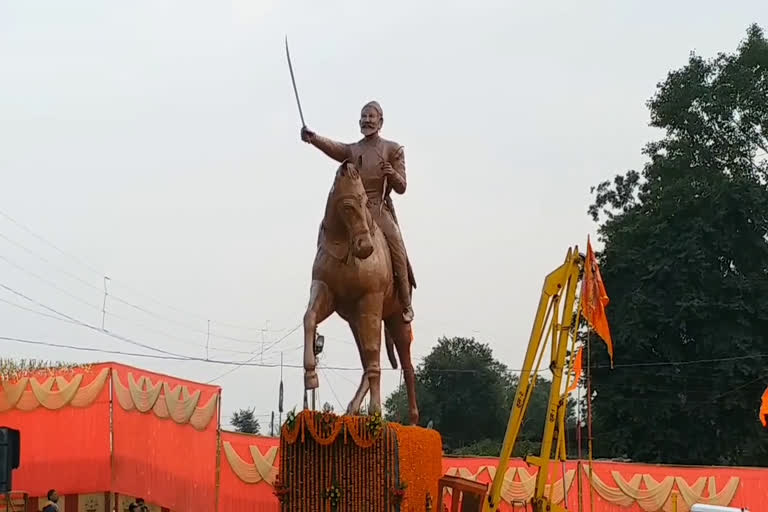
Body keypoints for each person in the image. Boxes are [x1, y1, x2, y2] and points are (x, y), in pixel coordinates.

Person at [301, 101, 415, 322]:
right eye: (364, 116)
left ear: (380, 121)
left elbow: (402, 187)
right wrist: (313, 138)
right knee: (327, 228)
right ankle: (324, 278)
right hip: (355, 207)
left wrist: (391, 173)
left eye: (372, 116)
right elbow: (335, 148)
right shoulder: (353, 150)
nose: (367, 120)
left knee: (396, 244)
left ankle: (405, 301)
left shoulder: (393, 149)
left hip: (378, 208)